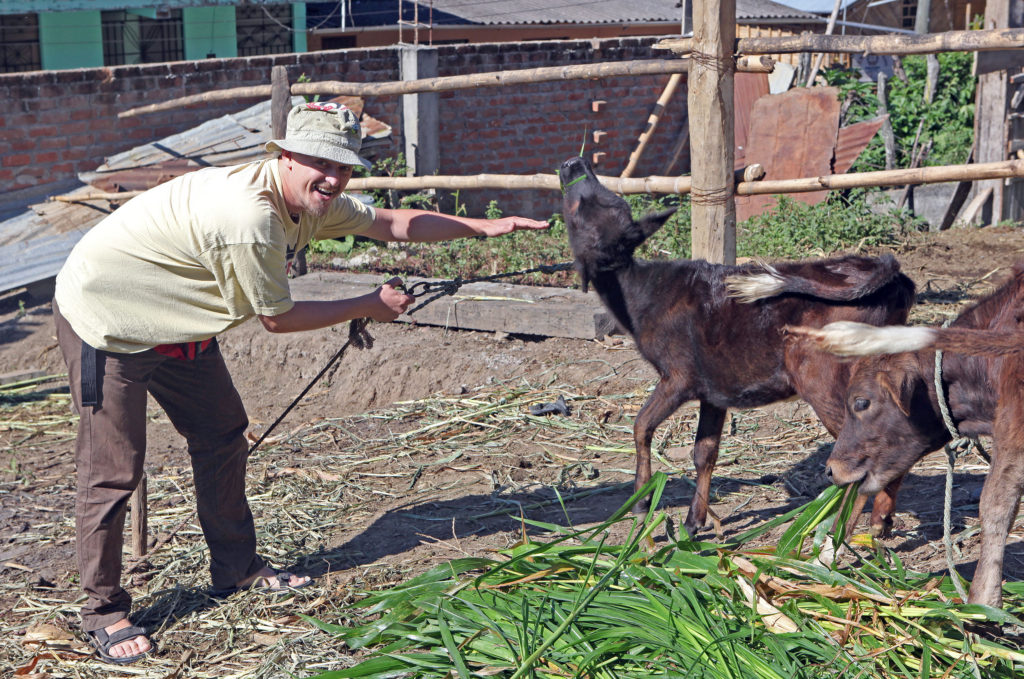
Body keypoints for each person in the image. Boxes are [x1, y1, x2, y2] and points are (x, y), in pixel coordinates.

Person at [53, 101, 548, 664]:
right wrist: (369, 303)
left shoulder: (312, 200)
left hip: (178, 323)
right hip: (108, 321)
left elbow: (392, 223)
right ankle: (103, 610)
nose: (334, 177)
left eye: (344, 167)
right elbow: (276, 319)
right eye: (319, 162)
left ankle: (236, 568)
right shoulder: (249, 218)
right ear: (284, 156)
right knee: (114, 471)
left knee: (222, 433)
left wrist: (485, 226)